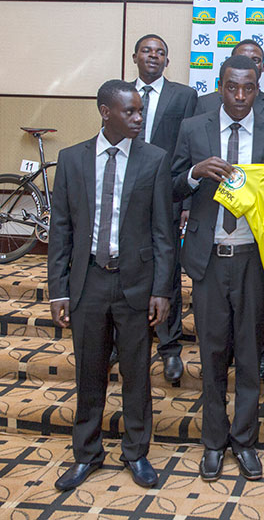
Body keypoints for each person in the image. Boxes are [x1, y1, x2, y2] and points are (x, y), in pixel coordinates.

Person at [49, 79, 175, 490]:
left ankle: (136, 453)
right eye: (131, 112)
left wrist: (162, 289)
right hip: (88, 283)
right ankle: (87, 454)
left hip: (135, 283)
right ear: (106, 112)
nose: (139, 118)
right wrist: (59, 290)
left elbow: (162, 232)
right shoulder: (71, 160)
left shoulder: (154, 159)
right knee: (89, 372)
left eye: (141, 111)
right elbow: (61, 230)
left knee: (137, 374)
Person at [171, 55, 264, 482]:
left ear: (259, 88)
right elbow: (167, 186)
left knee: (250, 353)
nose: (240, 97)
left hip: (254, 261)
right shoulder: (193, 128)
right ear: (219, 86)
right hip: (207, 259)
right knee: (212, 353)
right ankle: (213, 443)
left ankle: (245, 441)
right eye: (232, 88)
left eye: (249, 89)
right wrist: (193, 174)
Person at [111, 34, 197, 384]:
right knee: (122, 268)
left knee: (167, 274)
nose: (153, 56)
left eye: (160, 52)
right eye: (147, 51)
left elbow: (190, 149)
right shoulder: (116, 94)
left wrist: (187, 201)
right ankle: (118, 341)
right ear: (134, 56)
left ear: (167, 61)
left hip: (167, 196)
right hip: (124, 196)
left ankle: (169, 348)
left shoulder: (184, 96)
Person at [194, 39, 264, 119]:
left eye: (255, 60)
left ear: (263, 67)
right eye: (241, 59)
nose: (248, 64)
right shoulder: (205, 104)